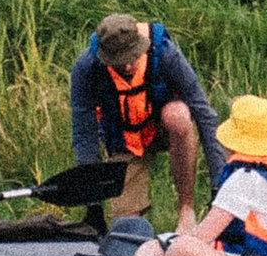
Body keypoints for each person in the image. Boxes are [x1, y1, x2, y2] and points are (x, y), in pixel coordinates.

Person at [70, 12, 225, 228]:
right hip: (124, 141)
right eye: (119, 61)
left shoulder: (165, 53)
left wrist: (219, 183)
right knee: (126, 227)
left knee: (178, 115)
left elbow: (204, 113)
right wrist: (93, 203)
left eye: (132, 57)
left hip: (163, 126)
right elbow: (84, 134)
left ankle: (186, 211)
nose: (127, 67)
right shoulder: (86, 68)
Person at [135, 93, 267, 256]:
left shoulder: (244, 178)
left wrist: (173, 241)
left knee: (175, 248)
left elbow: (201, 237)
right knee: (171, 245)